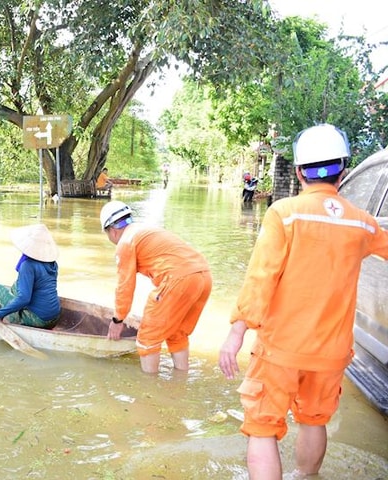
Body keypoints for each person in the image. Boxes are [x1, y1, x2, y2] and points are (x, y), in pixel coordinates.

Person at [218, 124, 388, 479]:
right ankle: (307, 476)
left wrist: (237, 331)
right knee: (315, 419)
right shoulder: (363, 224)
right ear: (343, 170)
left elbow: (260, 277)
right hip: (331, 352)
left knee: (262, 426)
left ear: (298, 172)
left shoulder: (286, 213)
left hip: (281, 348)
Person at [100, 201, 212, 373]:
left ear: (112, 231)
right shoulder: (146, 230)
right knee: (177, 333)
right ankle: (180, 382)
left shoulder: (125, 242)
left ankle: (150, 392)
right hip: (203, 276)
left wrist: (117, 320)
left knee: (147, 337)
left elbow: (125, 286)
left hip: (178, 280)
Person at [0, 223, 61, 329]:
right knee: (15, 287)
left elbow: (24, 299)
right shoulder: (53, 263)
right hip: (55, 317)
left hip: (38, 320)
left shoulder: (28, 265)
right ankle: (2, 314)